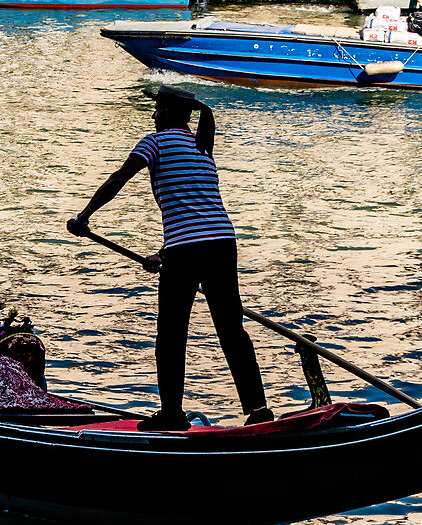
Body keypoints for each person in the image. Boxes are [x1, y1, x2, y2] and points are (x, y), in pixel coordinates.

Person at [69, 89, 271, 431]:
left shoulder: (156, 143)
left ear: (167, 113)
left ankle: (172, 415)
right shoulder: (201, 148)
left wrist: (84, 216)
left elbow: (119, 178)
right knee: (231, 329)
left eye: (156, 110)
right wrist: (163, 255)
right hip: (222, 243)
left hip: (187, 249)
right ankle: (258, 409)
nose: (152, 116)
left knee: (171, 332)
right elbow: (199, 211)